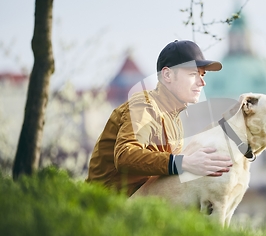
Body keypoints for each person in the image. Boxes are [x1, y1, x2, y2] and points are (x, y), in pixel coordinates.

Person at [86, 40, 233, 196]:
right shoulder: (145, 106)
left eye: (202, 75)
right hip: (106, 206)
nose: (202, 82)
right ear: (167, 74)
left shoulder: (174, 116)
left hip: (141, 205)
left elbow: (163, 170)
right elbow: (125, 155)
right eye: (193, 74)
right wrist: (183, 162)